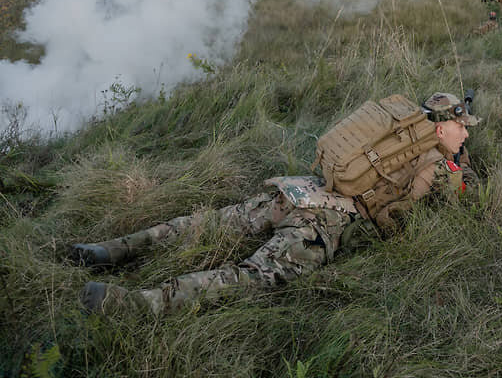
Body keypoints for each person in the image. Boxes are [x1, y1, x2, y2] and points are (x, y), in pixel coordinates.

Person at [72, 92, 480, 314]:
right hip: (329, 221)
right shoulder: (442, 165)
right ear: (443, 126)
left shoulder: (398, 127)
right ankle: (135, 303)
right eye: (462, 128)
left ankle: (112, 249)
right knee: (256, 275)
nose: (466, 135)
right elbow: (448, 214)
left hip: (302, 188)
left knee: (208, 223)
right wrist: (458, 169)